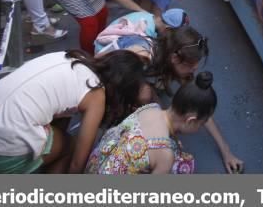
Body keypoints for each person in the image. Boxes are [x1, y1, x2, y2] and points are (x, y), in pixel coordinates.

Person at [99, 24, 244, 173]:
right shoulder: (142, 57)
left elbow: (199, 105)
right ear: (175, 58)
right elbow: (107, 72)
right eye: (191, 67)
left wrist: (226, 151)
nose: (193, 71)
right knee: (145, 94)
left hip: (99, 161)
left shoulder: (152, 104)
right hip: (108, 81)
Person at [0, 49, 147, 174]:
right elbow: (78, 163)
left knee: (57, 131)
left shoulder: (70, 57)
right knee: (69, 147)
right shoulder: (96, 94)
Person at [87, 71, 218, 174]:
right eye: (201, 124)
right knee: (185, 165)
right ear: (191, 121)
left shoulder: (150, 108)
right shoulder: (165, 156)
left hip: (95, 165)